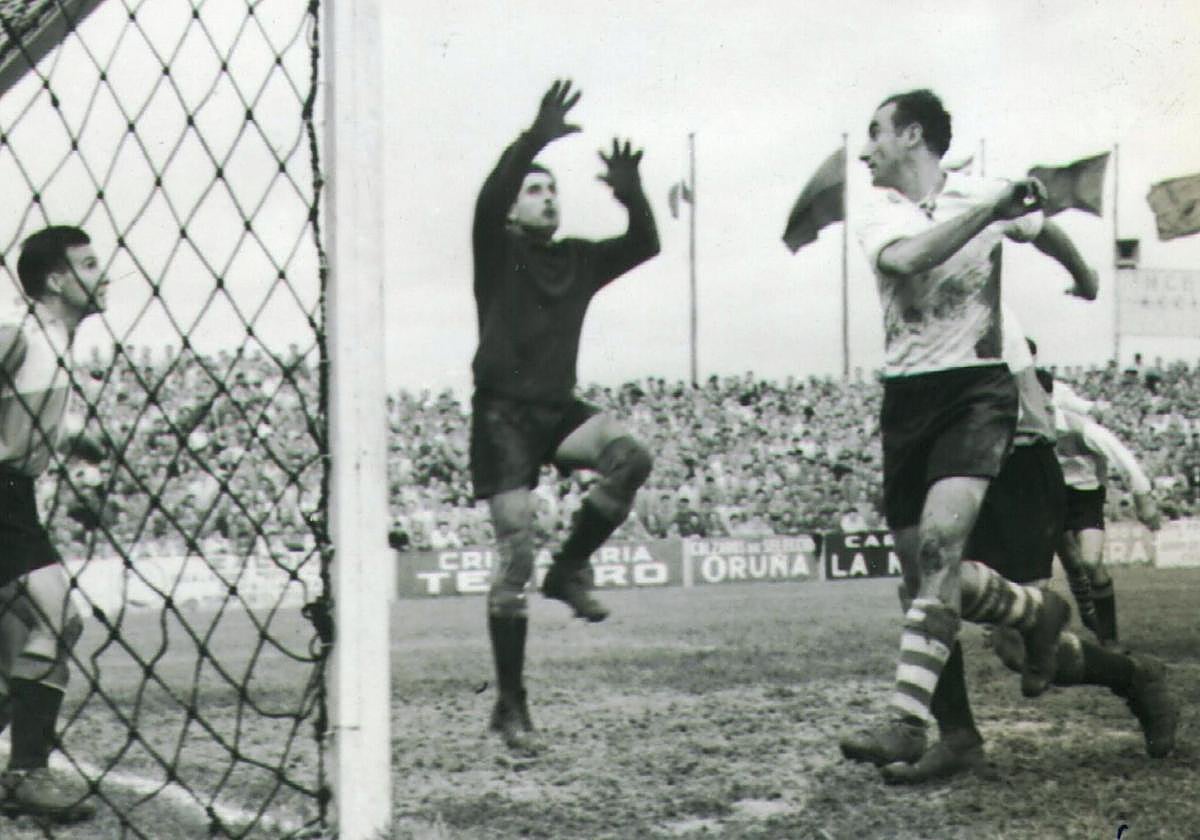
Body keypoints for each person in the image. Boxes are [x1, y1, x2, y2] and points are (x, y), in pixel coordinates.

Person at [836, 89, 1102, 769]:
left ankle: (907, 722)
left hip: (975, 393)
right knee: (919, 578)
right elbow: (908, 260)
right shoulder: (879, 210)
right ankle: (1022, 632)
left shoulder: (985, 192)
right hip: (906, 398)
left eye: (876, 133)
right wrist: (993, 210)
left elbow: (1044, 228)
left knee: (939, 554)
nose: (865, 150)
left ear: (913, 135)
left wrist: (1086, 275)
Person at [879, 328, 1178, 784]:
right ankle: (959, 738)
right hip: (947, 458)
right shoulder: (912, 317)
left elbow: (1033, 407)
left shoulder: (980, 299)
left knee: (1016, 647)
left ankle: (1134, 676)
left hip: (1012, 463)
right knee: (922, 588)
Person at [469, 80, 659, 753]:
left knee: (631, 456)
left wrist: (631, 190)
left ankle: (572, 567)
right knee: (515, 549)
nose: (546, 197)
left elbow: (644, 243)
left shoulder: (577, 258)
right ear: (514, 210)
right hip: (502, 416)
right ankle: (511, 702)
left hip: (557, 411)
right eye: (534, 190)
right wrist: (536, 139)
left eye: (552, 189)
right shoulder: (496, 249)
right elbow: (492, 192)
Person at [0, 225, 109, 822]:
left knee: (42, 628)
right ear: (57, 280)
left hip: (16, 493)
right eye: (90, 264)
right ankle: (26, 776)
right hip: (2, 492)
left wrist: (75, 439)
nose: (104, 274)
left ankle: (23, 772)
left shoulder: (57, 341)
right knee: (51, 615)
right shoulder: (20, 330)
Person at [1054, 401, 1161, 646]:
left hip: (1086, 494)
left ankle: (1108, 636)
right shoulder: (1023, 425)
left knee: (1090, 562)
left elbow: (1124, 458)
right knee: (1071, 561)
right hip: (1051, 493)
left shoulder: (1082, 429)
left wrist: (1143, 498)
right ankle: (1089, 612)